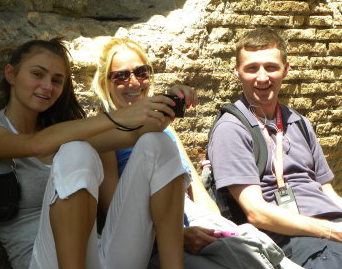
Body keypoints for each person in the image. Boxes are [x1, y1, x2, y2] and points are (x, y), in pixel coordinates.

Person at [0, 38, 188, 269]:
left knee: (158, 142)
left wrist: (170, 104)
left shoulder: (60, 131)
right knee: (76, 150)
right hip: (41, 261)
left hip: (97, 257)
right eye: (37, 74)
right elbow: (36, 146)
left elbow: (136, 134)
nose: (47, 86)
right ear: (11, 74)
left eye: (56, 80)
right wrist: (118, 117)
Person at [91, 37, 302, 269]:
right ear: (105, 82)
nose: (133, 82)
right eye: (121, 75)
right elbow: (117, 214)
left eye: (141, 72)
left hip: (194, 222)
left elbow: (199, 195)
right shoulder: (106, 134)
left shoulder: (166, 128)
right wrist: (179, 236)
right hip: (151, 237)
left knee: (266, 255)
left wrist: (218, 228)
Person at [208, 28, 342, 268]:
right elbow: (257, 212)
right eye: (251, 68)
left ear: (285, 69)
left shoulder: (298, 122)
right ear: (237, 71)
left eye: (270, 67)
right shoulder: (232, 128)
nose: (262, 77)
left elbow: (327, 192)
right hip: (295, 241)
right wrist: (332, 231)